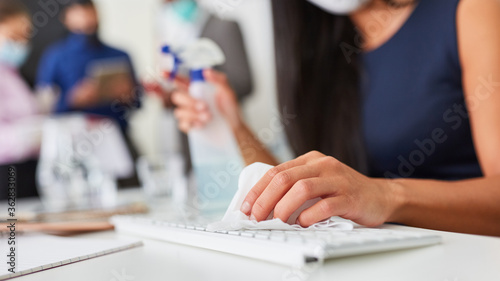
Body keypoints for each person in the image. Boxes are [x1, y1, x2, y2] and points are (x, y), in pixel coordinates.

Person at [172, 0, 500, 236]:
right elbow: (301, 194)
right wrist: (232, 124)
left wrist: (384, 196)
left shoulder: (472, 10)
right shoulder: (325, 58)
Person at [36, 0, 140, 133]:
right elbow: (43, 108)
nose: (87, 19)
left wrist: (127, 96)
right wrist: (71, 100)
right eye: (80, 14)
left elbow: (138, 102)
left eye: (91, 12)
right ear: (66, 18)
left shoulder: (120, 55)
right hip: (73, 135)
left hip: (116, 131)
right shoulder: (55, 56)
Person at [0, 0, 43, 198]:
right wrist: (27, 137)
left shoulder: (12, 73)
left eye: (25, 36)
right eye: (13, 37)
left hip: (28, 169)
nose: (21, 44)